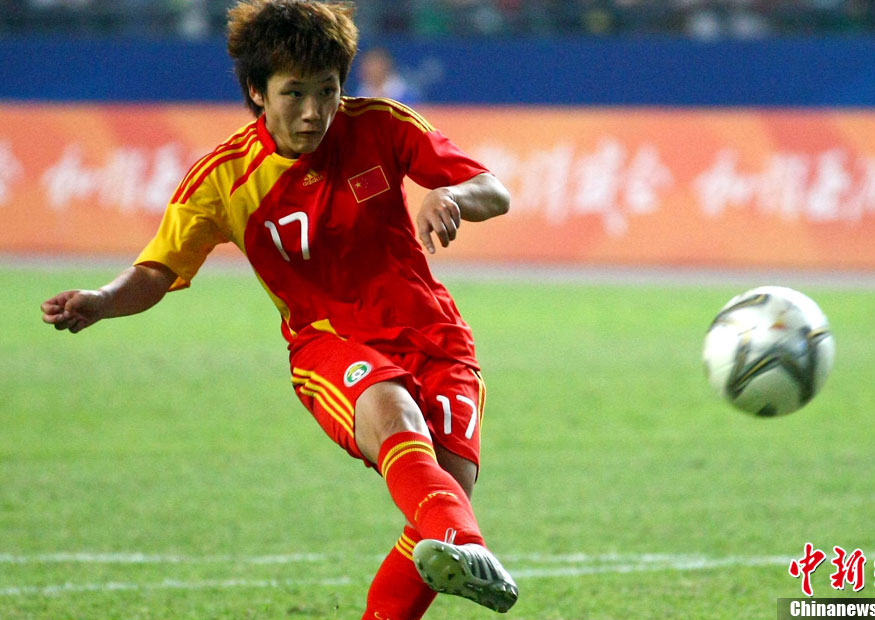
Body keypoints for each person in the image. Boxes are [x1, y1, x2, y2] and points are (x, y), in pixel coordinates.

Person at [39, 1, 518, 618]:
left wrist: (450, 195)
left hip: (435, 336)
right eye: (294, 93)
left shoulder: (382, 125)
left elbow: (493, 189)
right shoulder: (223, 179)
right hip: (330, 344)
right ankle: (470, 544)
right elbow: (156, 270)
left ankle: (455, 540)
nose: (314, 111)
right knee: (395, 416)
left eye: (328, 90)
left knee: (443, 497)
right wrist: (103, 300)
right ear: (256, 92)